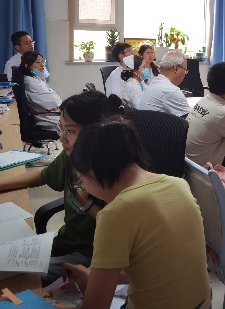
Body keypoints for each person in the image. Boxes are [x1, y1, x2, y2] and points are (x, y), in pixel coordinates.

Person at [0, 91, 123, 286]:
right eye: (61, 128)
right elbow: (44, 175)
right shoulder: (72, 155)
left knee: (13, 279)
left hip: (90, 255)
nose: (62, 139)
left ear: (94, 132)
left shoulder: (111, 172)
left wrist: (87, 204)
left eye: (69, 131)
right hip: (65, 242)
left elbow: (121, 228)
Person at [62, 118, 211, 309]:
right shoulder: (178, 185)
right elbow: (156, 265)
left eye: (80, 180)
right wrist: (93, 277)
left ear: (93, 172)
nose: (83, 187)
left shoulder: (115, 214)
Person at [139, 50, 189, 117]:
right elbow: (192, 119)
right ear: (176, 68)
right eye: (185, 70)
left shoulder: (156, 82)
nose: (185, 74)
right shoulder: (171, 90)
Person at [19, 51, 61, 129]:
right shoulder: (30, 81)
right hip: (48, 118)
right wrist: (58, 104)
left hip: (52, 115)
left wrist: (58, 104)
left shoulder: (35, 77)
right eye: (38, 62)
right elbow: (53, 102)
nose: (42, 65)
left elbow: (54, 97)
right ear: (27, 65)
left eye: (43, 61)